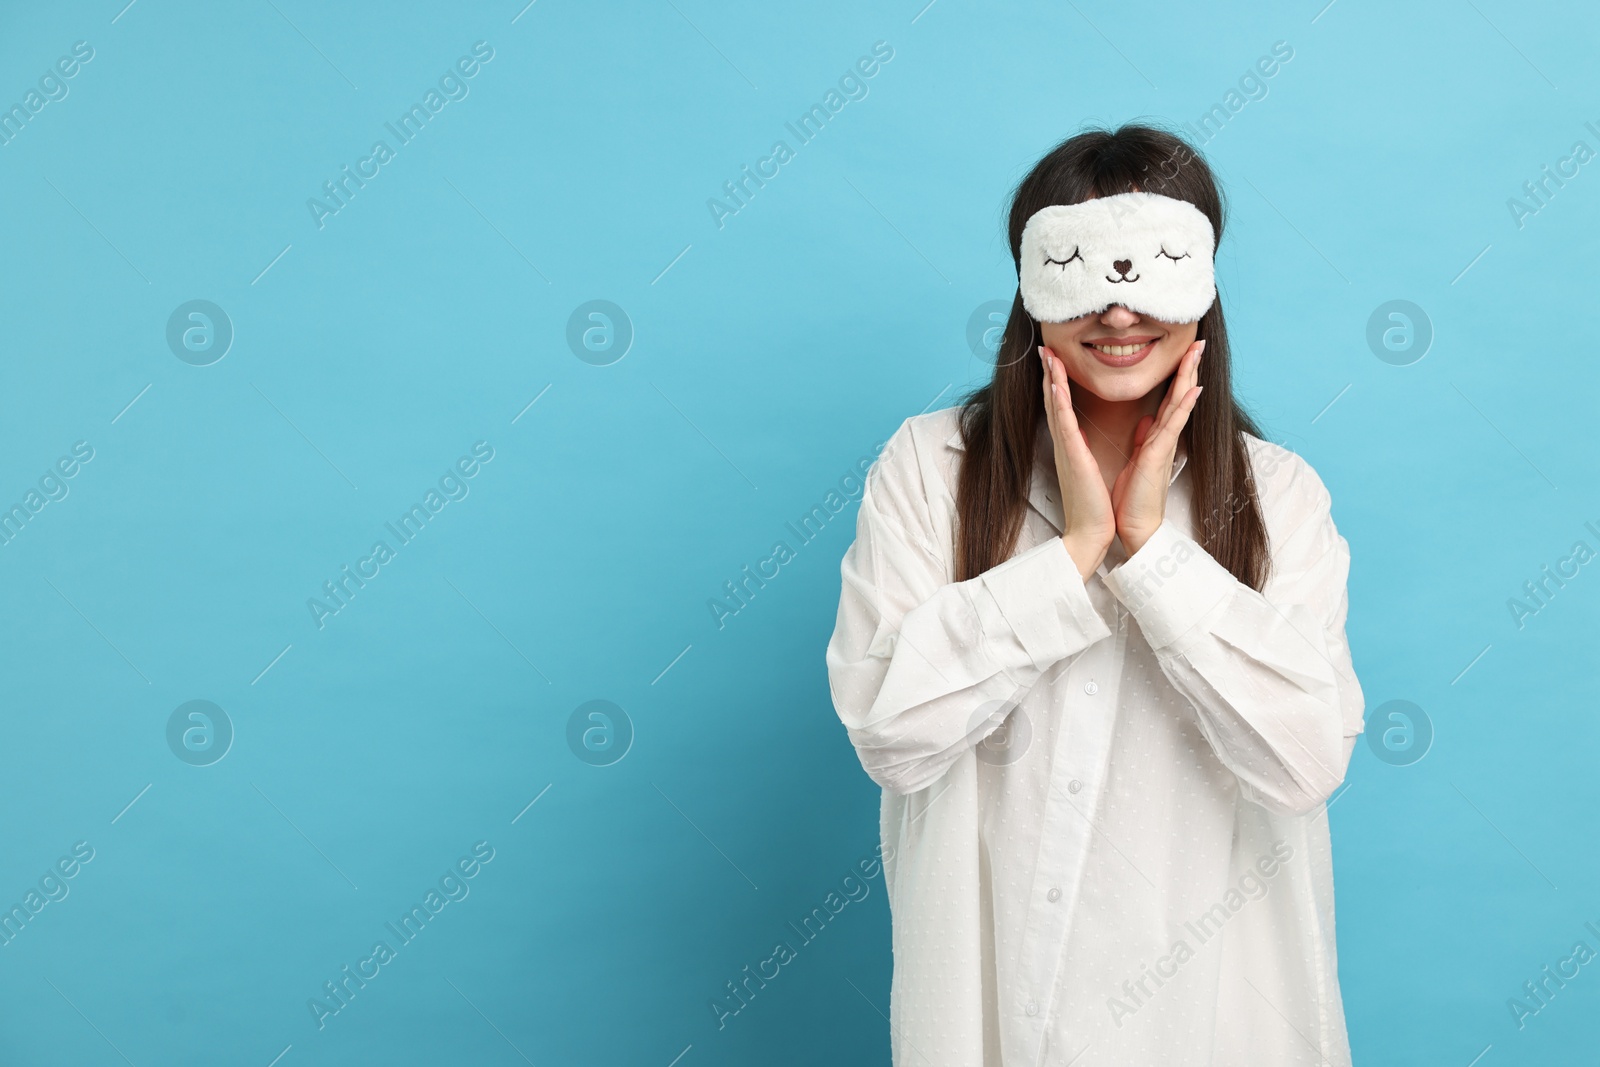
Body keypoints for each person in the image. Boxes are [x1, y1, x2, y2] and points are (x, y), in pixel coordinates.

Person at [824, 123, 1365, 1066]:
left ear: (1201, 286)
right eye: (1080, 270)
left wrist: (1152, 552)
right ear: (1034, 287)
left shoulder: (1279, 495)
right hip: (991, 1022)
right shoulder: (929, 466)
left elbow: (1306, 758)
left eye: (1151, 271)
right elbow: (890, 731)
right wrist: (1075, 551)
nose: (1118, 311)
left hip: (1220, 1019)